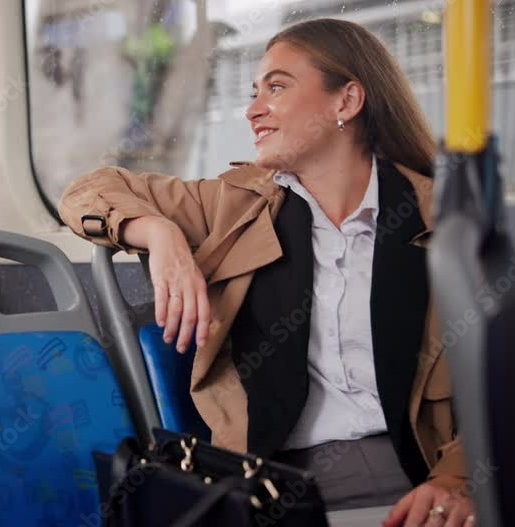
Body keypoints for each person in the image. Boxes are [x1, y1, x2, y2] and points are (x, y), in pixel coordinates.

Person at [59, 18, 474, 527]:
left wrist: (459, 479)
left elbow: (504, 377)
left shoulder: (444, 215)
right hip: (276, 485)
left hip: (426, 476)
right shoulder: (234, 205)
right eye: (255, 91)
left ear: (346, 102)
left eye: (276, 87)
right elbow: (86, 191)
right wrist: (160, 234)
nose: (253, 109)